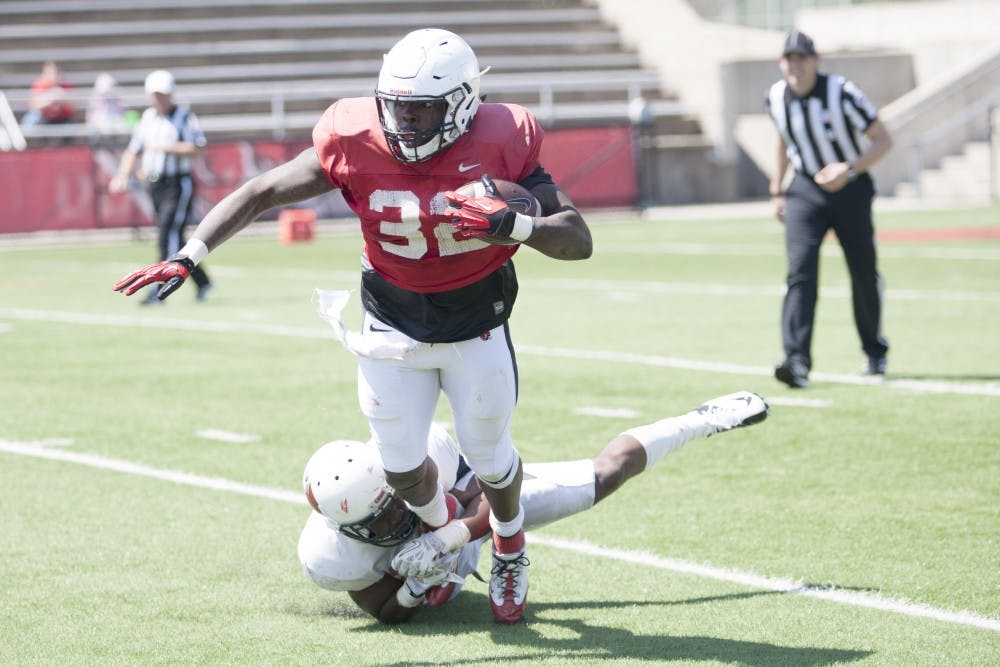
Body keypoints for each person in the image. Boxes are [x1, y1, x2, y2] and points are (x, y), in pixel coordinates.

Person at [111, 29, 594, 623]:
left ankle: (510, 545)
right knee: (399, 464)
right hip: (391, 321)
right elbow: (262, 190)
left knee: (491, 459)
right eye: (396, 108)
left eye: (422, 111)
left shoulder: (502, 140)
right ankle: (445, 540)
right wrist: (190, 253)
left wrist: (516, 227)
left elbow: (578, 239)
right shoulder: (355, 135)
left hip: (476, 324)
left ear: (464, 103)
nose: (406, 125)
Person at [298, 391, 769, 624]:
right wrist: (414, 589)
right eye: (377, 520)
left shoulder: (420, 455)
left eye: (392, 503)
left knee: (601, 476)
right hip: (444, 542)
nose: (395, 518)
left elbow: (491, 492)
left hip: (466, 508)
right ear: (345, 529)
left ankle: (700, 420)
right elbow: (381, 610)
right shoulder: (329, 557)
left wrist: (449, 536)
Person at [765, 30, 893, 389]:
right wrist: (777, 189)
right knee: (800, 271)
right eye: (789, 58)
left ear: (815, 61)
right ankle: (797, 359)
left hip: (850, 187)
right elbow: (781, 138)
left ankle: (874, 349)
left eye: (801, 58)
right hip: (805, 189)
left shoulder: (843, 92)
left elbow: (884, 139)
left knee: (863, 272)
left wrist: (849, 169)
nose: (795, 65)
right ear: (781, 63)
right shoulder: (775, 97)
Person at [109, 70, 212, 304]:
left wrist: (167, 147)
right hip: (155, 185)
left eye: (162, 95)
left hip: (177, 183)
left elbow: (198, 147)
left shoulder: (184, 117)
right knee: (176, 237)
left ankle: (158, 291)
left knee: (168, 236)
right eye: (155, 95)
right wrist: (122, 175)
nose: (159, 99)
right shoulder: (147, 119)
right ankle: (203, 281)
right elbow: (134, 149)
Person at [21, 61, 76, 127]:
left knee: (70, 124)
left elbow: (73, 105)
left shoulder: (65, 84)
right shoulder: (40, 84)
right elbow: (33, 105)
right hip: (44, 116)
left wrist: (62, 97)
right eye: (50, 72)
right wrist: (49, 99)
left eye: (55, 72)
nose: (53, 75)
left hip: (62, 117)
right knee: (31, 120)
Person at [86, 72, 127, 139]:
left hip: (114, 121)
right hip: (100, 123)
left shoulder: (117, 99)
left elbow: (121, 111)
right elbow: (93, 117)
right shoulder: (96, 99)